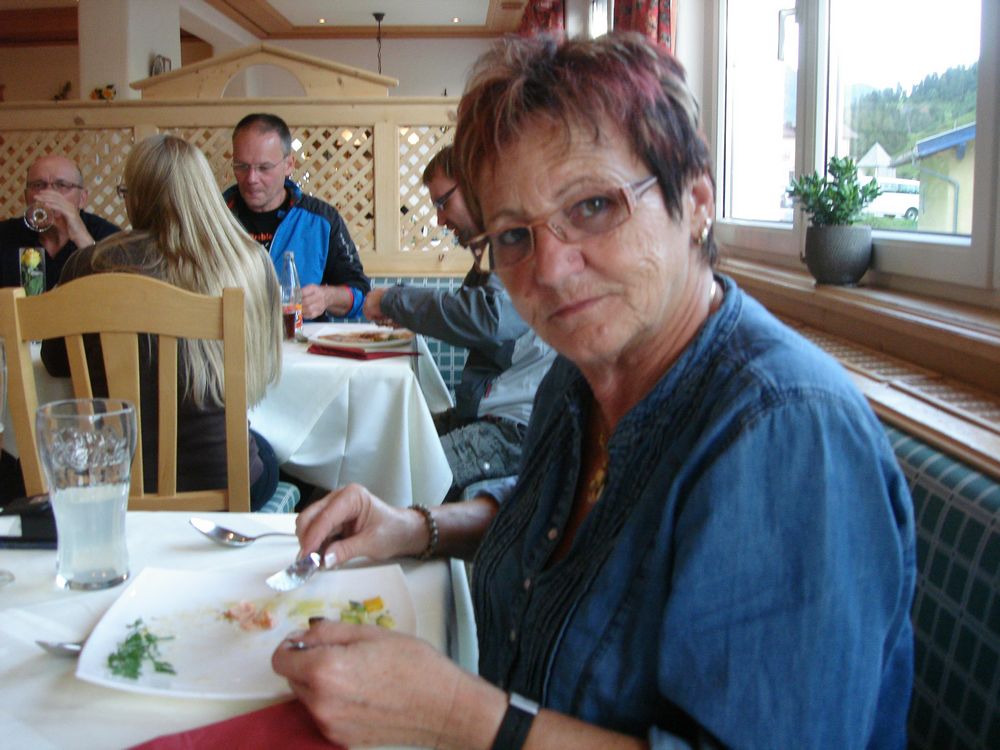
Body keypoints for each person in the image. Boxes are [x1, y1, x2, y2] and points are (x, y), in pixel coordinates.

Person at [272, 33, 916, 749]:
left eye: (594, 206)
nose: (549, 268)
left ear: (696, 201)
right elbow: (556, 515)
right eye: (513, 235)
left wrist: (456, 714)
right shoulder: (578, 376)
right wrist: (416, 526)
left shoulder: (787, 434)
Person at [41, 134, 283, 511]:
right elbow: (263, 366)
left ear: (137, 198)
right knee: (265, 450)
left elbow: (56, 362)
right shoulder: (250, 261)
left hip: (112, 480)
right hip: (224, 485)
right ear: (204, 191)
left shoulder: (89, 265)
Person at [363, 145, 555, 500]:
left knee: (397, 481)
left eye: (443, 203)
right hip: (489, 415)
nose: (440, 220)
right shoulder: (493, 250)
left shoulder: (519, 242)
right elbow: (472, 317)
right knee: (383, 449)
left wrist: (394, 299)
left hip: (516, 429)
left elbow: (488, 318)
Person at [224, 113, 370, 321]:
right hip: (231, 337)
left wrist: (326, 297)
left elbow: (362, 294)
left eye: (264, 168)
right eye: (241, 166)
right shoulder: (214, 217)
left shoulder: (322, 220)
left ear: (289, 165)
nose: (251, 178)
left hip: (301, 338)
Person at [0, 155, 119, 291]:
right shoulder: (5, 235)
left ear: (82, 198)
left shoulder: (111, 237)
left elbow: (118, 292)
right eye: (38, 185)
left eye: (62, 185)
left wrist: (83, 239)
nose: (49, 193)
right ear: (27, 197)